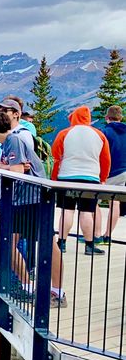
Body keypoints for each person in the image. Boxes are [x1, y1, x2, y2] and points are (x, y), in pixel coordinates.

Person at [0, 110, 66, 307]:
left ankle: (57, 292)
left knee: (47, 244)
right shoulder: (7, 143)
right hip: (22, 199)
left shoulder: (14, 141)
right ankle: (29, 287)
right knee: (8, 243)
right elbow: (9, 164)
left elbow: (17, 170)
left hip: (33, 199)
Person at [52, 105, 111, 255]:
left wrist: (54, 179)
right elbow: (105, 160)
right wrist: (102, 178)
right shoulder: (99, 135)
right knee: (86, 212)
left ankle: (61, 243)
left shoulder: (65, 133)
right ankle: (89, 245)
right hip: (90, 178)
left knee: (67, 211)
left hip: (67, 177)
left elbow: (56, 157)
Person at [100, 105, 126, 243]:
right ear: (120, 117)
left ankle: (94, 235)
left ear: (107, 118)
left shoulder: (104, 132)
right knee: (115, 203)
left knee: (93, 202)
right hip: (123, 171)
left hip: (106, 172)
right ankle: (108, 235)